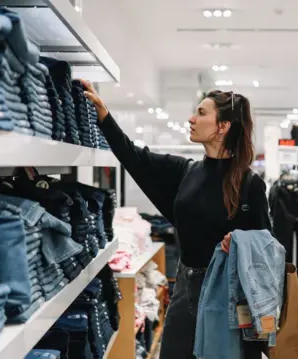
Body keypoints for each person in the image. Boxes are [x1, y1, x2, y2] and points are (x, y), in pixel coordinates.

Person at [81, 79, 271, 359]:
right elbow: (135, 158)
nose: (192, 119)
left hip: (227, 294)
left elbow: (269, 247)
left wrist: (241, 241)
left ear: (223, 126)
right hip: (185, 287)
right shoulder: (187, 171)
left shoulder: (249, 184)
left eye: (202, 113)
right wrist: (105, 117)